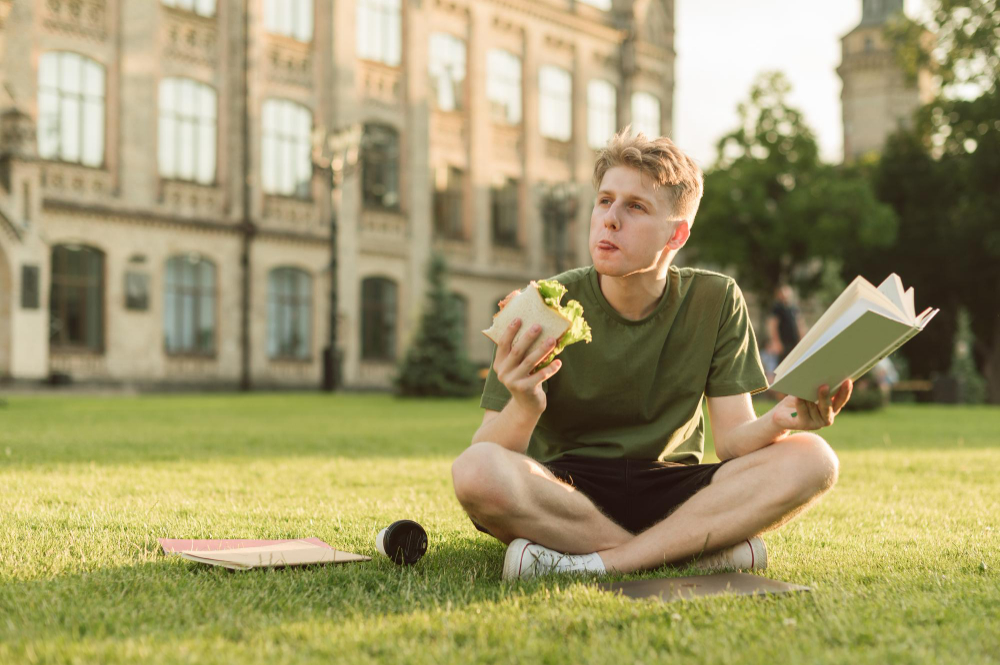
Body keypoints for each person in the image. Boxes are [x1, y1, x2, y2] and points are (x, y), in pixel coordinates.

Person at [450, 128, 853, 581]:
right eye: (604, 201)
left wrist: (779, 421)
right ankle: (692, 553)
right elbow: (488, 452)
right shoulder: (544, 303)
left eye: (635, 207)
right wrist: (525, 404)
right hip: (564, 491)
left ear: (677, 234)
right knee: (475, 470)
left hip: (673, 488)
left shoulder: (716, 299)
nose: (610, 219)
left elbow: (733, 441)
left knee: (814, 458)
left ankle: (597, 564)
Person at [766, 285, 807, 363]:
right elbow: (773, 325)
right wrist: (776, 341)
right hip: (783, 343)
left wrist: (803, 338)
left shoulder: (794, 308)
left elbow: (800, 324)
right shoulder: (777, 309)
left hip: (795, 342)